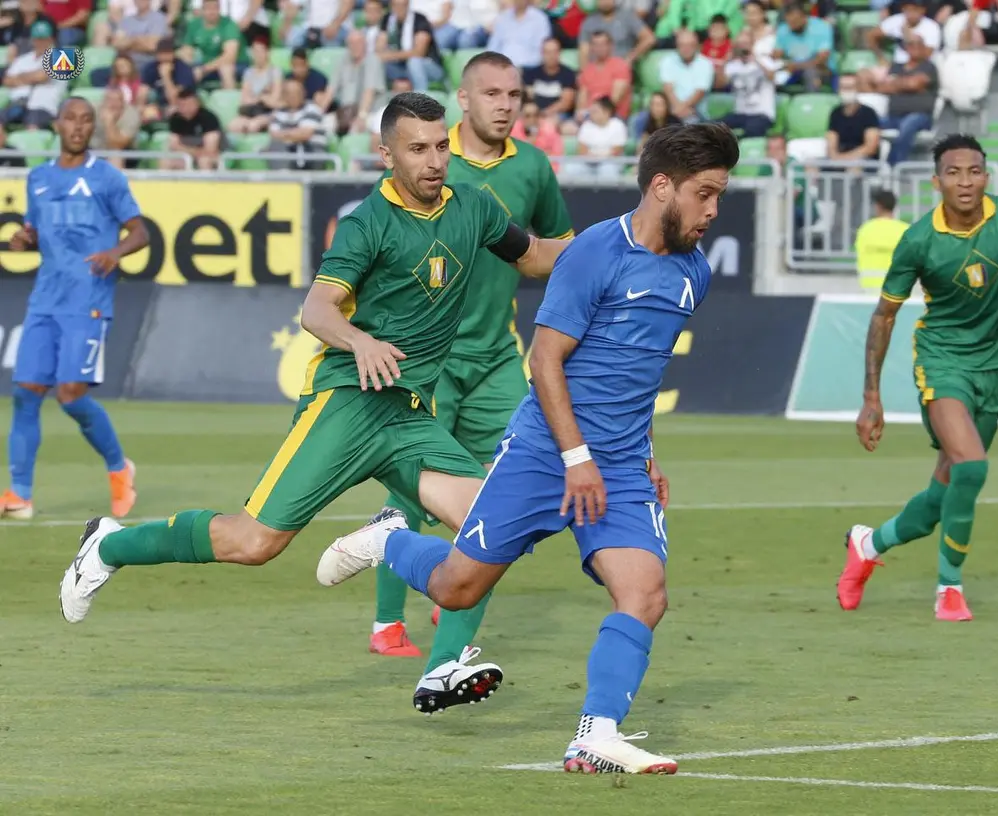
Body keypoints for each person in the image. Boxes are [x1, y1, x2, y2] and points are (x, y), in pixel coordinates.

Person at [316, 122, 741, 774]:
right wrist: (576, 458)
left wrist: (647, 454)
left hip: (619, 466)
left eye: (719, 197)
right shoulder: (595, 252)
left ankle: (595, 734)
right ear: (662, 186)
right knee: (457, 589)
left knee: (645, 594)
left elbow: (638, 374)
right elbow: (545, 361)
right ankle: (388, 540)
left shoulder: (693, 273)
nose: (712, 211)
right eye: (704, 194)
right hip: (545, 453)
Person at [57, 92, 570, 627]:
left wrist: (616, 241)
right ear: (386, 155)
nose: (435, 160)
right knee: (252, 542)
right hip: (349, 403)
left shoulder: (474, 207)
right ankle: (108, 545)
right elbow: (317, 309)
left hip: (408, 416)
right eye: (417, 149)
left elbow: (535, 255)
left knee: (490, 527)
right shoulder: (367, 223)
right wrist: (361, 342)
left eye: (442, 146)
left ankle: (389, 547)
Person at [367, 52, 575, 711]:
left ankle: (446, 655)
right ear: (463, 99)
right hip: (425, 361)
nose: (505, 104)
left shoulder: (533, 167)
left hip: (495, 362)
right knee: (411, 493)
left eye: (515, 94)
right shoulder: (428, 156)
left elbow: (558, 252)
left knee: (499, 506)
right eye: (491, 93)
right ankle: (386, 622)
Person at [837, 134, 998, 621]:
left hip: (995, 366)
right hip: (941, 362)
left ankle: (867, 545)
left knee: (943, 493)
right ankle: (949, 588)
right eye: (953, 172)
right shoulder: (919, 239)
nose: (965, 181)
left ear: (986, 177)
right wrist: (871, 396)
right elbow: (883, 316)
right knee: (973, 466)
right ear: (936, 181)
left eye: (974, 171)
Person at [2, 98, 147, 521]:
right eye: (71, 119)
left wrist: (115, 253)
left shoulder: (107, 178)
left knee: (70, 395)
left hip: (88, 302)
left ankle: (119, 468)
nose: (78, 127)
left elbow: (140, 232)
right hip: (44, 300)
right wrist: (24, 239)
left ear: (91, 127)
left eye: (86, 120)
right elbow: (36, 231)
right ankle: (20, 495)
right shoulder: (39, 178)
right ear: (57, 125)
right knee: (25, 393)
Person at [853, 189, 907, 292]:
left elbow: (859, 253)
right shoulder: (905, 230)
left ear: (878, 206)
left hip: (869, 288)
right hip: (897, 289)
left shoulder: (866, 229)